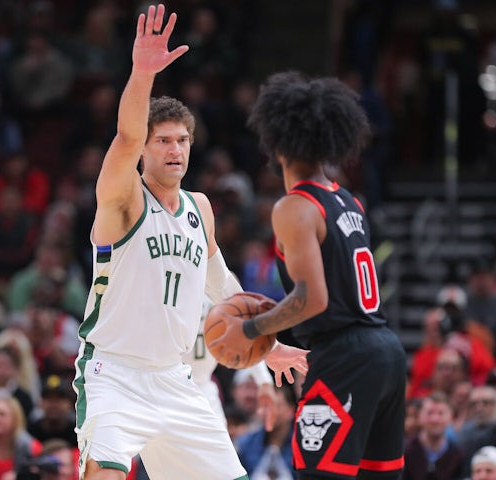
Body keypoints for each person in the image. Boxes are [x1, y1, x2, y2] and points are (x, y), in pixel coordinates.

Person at [73, 5, 306, 479]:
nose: (174, 149)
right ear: (144, 149)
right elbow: (124, 134)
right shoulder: (124, 200)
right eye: (162, 141)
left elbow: (221, 283)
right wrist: (142, 75)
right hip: (113, 374)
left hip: (176, 379)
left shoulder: (200, 208)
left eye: (181, 140)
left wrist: (264, 338)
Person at [209, 70, 407, 479]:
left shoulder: (294, 207)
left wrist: (251, 330)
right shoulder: (349, 201)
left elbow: (311, 299)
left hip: (345, 355)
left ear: (275, 140)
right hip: (385, 350)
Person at [402, 391, 465, 480]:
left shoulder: (458, 455)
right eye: (430, 413)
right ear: (420, 416)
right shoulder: (404, 451)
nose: (435, 419)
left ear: (450, 417)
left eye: (441, 413)